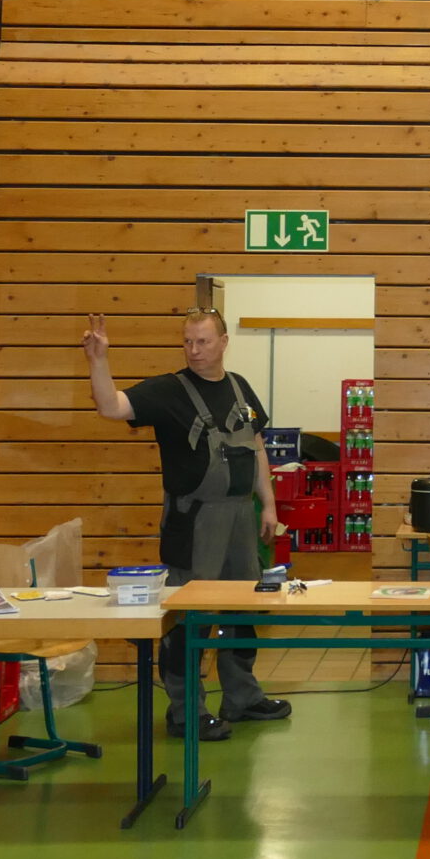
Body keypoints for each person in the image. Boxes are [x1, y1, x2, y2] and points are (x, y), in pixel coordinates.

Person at [84, 308, 292, 739]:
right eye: (188, 342)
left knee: (242, 609)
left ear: (223, 342)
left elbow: (256, 448)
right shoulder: (169, 391)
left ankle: (242, 696)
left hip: (241, 516)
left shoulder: (240, 388)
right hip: (194, 521)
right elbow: (110, 406)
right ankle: (185, 711)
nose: (194, 350)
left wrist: (268, 505)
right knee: (188, 616)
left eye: (203, 341)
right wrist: (98, 360)